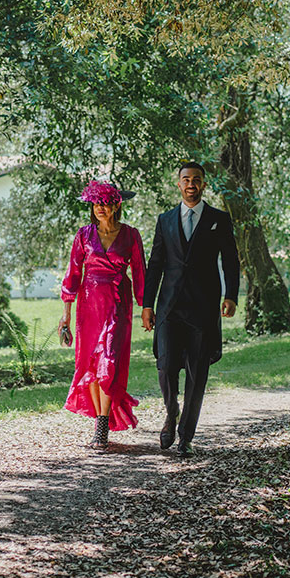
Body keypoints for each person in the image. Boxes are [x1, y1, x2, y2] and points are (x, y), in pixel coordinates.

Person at [142, 161, 239, 457]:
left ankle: (186, 436)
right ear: (179, 183)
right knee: (166, 366)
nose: (191, 184)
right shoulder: (165, 220)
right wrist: (147, 304)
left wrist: (231, 295)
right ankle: (171, 412)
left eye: (196, 179)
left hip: (203, 307)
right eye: (186, 179)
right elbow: (155, 263)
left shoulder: (218, 219)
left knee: (197, 374)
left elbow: (231, 260)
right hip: (169, 307)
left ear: (204, 184)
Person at [59, 180, 146, 451]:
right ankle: (100, 423)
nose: (101, 208)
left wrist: (146, 308)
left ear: (117, 205)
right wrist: (66, 316)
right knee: (91, 365)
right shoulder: (83, 235)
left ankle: (102, 425)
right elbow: (73, 276)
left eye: (106, 203)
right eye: (96, 203)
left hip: (118, 303)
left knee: (108, 359)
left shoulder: (131, 235)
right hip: (89, 304)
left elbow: (141, 274)